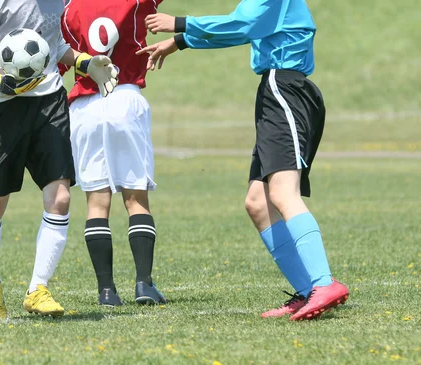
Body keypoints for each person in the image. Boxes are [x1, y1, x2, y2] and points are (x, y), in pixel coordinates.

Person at [138, 0, 349, 320]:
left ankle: (322, 283)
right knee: (258, 203)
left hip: (285, 88)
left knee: (282, 194)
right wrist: (182, 41)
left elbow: (244, 25)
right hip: (276, 89)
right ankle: (309, 291)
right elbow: (248, 26)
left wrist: (180, 24)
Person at [0, 0, 118, 320]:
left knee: (59, 198)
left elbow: (52, 43)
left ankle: (38, 289)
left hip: (49, 100)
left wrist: (85, 63)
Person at [59, 0, 166, 306]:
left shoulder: (67, 8)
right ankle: (144, 285)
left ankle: (106, 291)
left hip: (85, 107)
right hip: (124, 97)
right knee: (136, 199)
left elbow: (59, 58)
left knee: (96, 203)